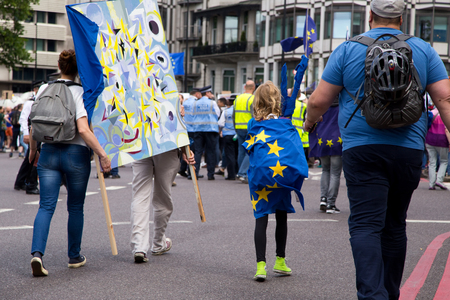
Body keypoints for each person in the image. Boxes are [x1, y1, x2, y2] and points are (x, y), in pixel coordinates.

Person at [304, 0, 450, 298]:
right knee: (395, 224)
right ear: (401, 17)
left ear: (370, 16)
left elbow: (319, 101)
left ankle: (373, 295)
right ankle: (390, 293)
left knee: (366, 224)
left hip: (363, 149)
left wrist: (309, 123)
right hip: (408, 149)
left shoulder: (347, 49)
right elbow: (444, 99)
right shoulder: (422, 49)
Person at [29, 49, 111, 277]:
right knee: (75, 207)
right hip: (76, 154)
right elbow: (83, 129)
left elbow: (36, 122)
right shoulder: (80, 92)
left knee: (46, 206)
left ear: (59, 64)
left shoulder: (45, 88)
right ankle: (74, 256)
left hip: (49, 152)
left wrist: (33, 152)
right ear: (79, 69)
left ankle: (37, 254)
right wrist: (102, 154)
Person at [246, 81, 308, 282]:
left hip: (260, 177)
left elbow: (249, 147)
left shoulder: (254, 123)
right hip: (281, 176)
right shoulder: (285, 121)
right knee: (281, 217)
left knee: (261, 217)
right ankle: (280, 260)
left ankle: (260, 266)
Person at [131, 148, 195, 263]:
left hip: (140, 142)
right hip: (166, 144)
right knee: (162, 197)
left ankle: (139, 246)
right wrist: (185, 147)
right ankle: (158, 243)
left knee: (140, 196)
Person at [308, 96, 343, 213]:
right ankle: (331, 204)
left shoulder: (321, 106)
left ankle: (323, 198)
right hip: (338, 141)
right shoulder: (343, 105)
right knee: (335, 173)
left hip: (322, 140)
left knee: (325, 170)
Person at [13, 81, 45, 195]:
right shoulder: (30, 103)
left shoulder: (41, 101)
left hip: (37, 134)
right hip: (32, 134)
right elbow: (24, 119)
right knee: (34, 158)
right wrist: (26, 134)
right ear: (36, 90)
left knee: (29, 159)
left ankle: (21, 181)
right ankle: (30, 184)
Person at [192, 85, 220, 180]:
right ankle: (210, 174)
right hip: (210, 129)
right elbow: (218, 114)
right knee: (210, 151)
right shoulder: (212, 103)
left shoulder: (195, 103)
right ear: (207, 93)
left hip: (198, 129)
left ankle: (195, 173)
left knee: (198, 152)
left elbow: (193, 114)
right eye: (210, 93)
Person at [233, 80, 256, 183]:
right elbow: (254, 115)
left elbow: (233, 115)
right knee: (250, 151)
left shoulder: (237, 99)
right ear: (253, 88)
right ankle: (242, 173)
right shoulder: (253, 98)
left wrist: (235, 128)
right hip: (249, 128)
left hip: (239, 127)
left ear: (245, 87)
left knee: (241, 151)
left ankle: (240, 173)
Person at [426, 107, 449, 190]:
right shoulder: (446, 114)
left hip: (430, 139)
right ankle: (439, 180)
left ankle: (431, 184)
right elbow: (447, 130)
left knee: (432, 162)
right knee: (444, 161)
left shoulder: (432, 113)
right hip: (442, 141)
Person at [218, 98, 237, 180]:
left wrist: (220, 132)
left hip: (228, 135)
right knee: (238, 154)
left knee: (230, 156)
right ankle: (238, 173)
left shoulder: (226, 111)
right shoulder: (238, 111)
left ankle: (231, 175)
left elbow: (221, 123)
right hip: (237, 135)